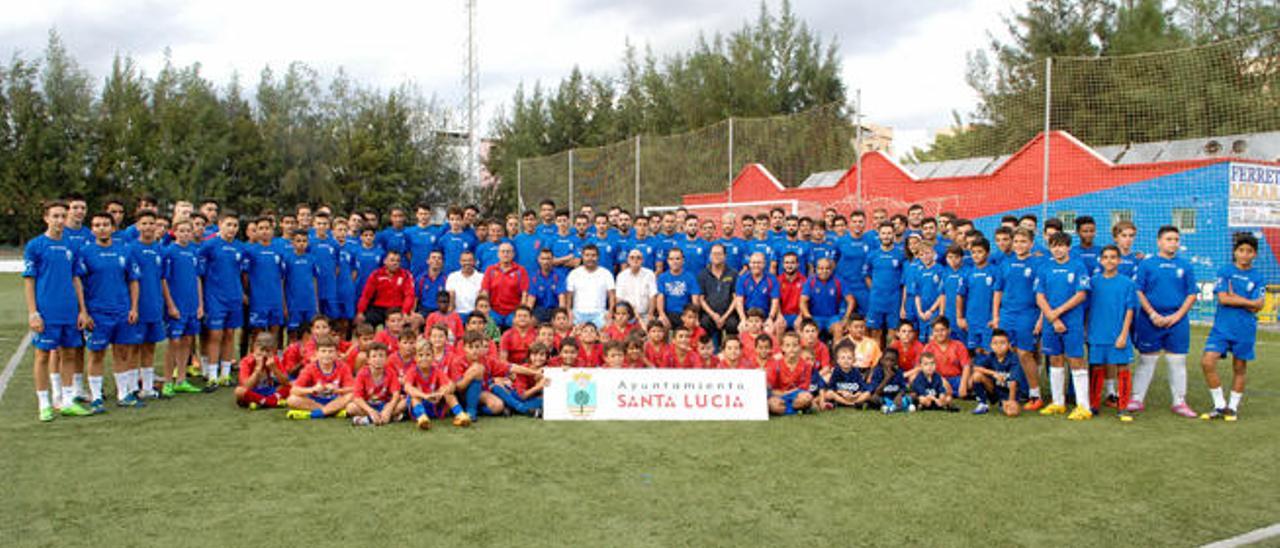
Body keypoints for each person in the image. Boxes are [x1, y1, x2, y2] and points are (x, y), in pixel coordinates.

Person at [24, 201, 93, 420]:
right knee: (43, 356)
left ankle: (67, 400)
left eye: (63, 216)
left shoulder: (71, 247)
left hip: (69, 311)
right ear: (46, 218)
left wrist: (82, 310)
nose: (60, 221)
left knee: (70, 353)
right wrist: (33, 312)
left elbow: (76, 279)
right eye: (55, 216)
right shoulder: (35, 245)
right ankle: (44, 403)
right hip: (47, 311)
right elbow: (29, 281)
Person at [1131, 226, 1199, 418]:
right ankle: (1137, 398)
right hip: (1149, 319)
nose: (1173, 243)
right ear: (1159, 241)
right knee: (1147, 359)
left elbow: (1192, 294)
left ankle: (1179, 401)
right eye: (1169, 239)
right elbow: (1138, 291)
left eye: (1176, 239)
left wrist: (1176, 317)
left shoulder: (1185, 266)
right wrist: (1152, 314)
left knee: (1177, 360)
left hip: (1177, 320)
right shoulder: (1147, 264)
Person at [78, 212, 143, 411]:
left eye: (105, 224)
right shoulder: (85, 252)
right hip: (97, 313)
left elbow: (133, 280)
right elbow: (78, 283)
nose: (101, 228)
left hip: (122, 311)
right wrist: (84, 312)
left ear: (113, 228)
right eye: (97, 225)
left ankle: (123, 394)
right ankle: (96, 397)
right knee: (96, 354)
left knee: (122, 353)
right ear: (92, 229)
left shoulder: (125, 250)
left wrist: (133, 307)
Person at [1200, 233, 1264, 421]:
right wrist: (1247, 302)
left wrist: (1235, 299)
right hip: (1222, 328)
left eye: (1249, 251)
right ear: (1235, 252)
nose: (1245, 254)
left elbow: (1259, 305)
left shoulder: (1258, 277)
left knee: (1239, 367)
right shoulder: (1225, 271)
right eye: (1241, 250)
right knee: (1207, 362)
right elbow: (1223, 298)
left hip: (1245, 328)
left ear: (1255, 255)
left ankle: (1232, 408)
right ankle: (1219, 405)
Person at [1034, 231, 1092, 420]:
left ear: (1068, 247)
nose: (1057, 249)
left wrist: (1056, 314)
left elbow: (1081, 294)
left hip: (1071, 322)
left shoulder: (1078, 266)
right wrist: (1051, 317)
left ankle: (1084, 406)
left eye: (1061, 245)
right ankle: (1058, 402)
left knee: (1076, 360)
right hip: (1051, 322)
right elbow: (1039, 295)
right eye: (1054, 245)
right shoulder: (1044, 267)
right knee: (1055, 360)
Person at [993, 228, 1044, 411]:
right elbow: (998, 290)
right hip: (1007, 314)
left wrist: (1040, 318)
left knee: (1025, 353)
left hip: (1027, 314)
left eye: (1023, 241)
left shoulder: (1038, 264)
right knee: (1011, 352)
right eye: (1016, 242)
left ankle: (1035, 394)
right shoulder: (1005, 263)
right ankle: (1018, 392)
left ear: (1031, 244)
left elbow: (1043, 293)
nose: (1019, 245)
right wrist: (996, 316)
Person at [1088, 245, 1138, 421]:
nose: (1109, 261)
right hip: (1097, 334)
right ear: (1101, 260)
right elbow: (1087, 309)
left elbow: (1130, 310)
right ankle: (1094, 405)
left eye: (1113, 257)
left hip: (1118, 334)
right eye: (1106, 257)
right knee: (1097, 368)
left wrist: (1124, 334)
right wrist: (1087, 331)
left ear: (1119, 260)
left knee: (1122, 367)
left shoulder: (1127, 283)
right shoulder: (1093, 282)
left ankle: (1123, 406)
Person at [199, 213, 245, 388]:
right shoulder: (210, 245)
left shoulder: (240, 247)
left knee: (229, 334)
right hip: (214, 297)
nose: (232, 229)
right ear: (220, 225)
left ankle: (225, 374)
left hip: (234, 296)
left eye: (235, 225)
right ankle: (212, 374)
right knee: (215, 334)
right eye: (228, 224)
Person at [160, 220, 205, 397]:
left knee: (187, 341)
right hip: (176, 305)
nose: (185, 234)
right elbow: (163, 280)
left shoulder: (194, 252)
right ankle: (167, 382)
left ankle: (181, 379)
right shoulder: (169, 252)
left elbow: (197, 279)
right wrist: (170, 305)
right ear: (174, 232)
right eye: (182, 231)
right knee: (174, 342)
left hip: (192, 305)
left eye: (188, 231)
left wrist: (200, 304)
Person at [128, 210, 167, 399]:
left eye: (152, 223)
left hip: (154, 305)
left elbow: (162, 279)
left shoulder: (160, 249)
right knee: (134, 346)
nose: (149, 227)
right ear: (138, 226)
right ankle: (132, 385)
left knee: (150, 346)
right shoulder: (131, 249)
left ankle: (148, 386)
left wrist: (165, 303)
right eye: (144, 223)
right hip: (138, 306)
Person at [403, 338, 467, 430]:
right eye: (420, 355)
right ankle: (422, 418)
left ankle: (460, 414)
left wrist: (441, 393)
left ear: (433, 357)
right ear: (416, 358)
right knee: (414, 396)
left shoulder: (436, 370)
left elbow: (451, 384)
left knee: (448, 393)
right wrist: (424, 396)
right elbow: (407, 387)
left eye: (428, 355)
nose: (424, 358)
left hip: (435, 403)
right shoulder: (413, 371)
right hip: (419, 404)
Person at [285, 335, 354, 420]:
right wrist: (312, 389)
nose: (327, 355)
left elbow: (353, 389)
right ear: (317, 353)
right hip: (315, 401)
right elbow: (294, 390)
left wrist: (337, 390)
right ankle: (330, 411)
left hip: (336, 400)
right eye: (323, 351)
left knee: (352, 396)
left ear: (336, 353)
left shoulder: (343, 367)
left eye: (331, 351)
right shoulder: (310, 367)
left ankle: (322, 412)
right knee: (292, 400)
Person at [865, 222, 905, 347]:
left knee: (892, 333)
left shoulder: (900, 254)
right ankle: (876, 362)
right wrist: (875, 289)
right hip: (876, 299)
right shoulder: (872, 255)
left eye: (889, 233)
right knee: (876, 332)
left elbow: (904, 279)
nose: (886, 236)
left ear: (893, 234)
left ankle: (890, 361)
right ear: (879, 235)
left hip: (894, 299)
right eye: (884, 233)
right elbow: (866, 275)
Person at [347, 342, 405, 426]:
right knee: (351, 407)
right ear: (368, 360)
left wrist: (389, 408)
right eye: (374, 356)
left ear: (386, 358)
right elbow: (357, 398)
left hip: (384, 404)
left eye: (381, 356)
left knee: (404, 403)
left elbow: (396, 394)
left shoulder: (390, 373)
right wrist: (370, 411)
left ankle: (368, 419)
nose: (378, 359)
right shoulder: (362, 373)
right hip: (368, 405)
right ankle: (384, 417)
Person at [958, 238, 999, 354]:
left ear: (987, 253)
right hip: (972, 320)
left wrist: (996, 317)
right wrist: (960, 317)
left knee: (989, 352)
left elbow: (999, 295)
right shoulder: (967, 273)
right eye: (973, 252)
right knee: (975, 353)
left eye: (979, 252)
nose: (976, 255)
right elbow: (960, 295)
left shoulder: (995, 271)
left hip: (988, 320)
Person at [969, 329, 1022, 416]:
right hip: (994, 390)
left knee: (1012, 413)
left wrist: (1011, 401)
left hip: (1009, 393)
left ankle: (1004, 403)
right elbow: (975, 368)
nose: (999, 346)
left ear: (1009, 345)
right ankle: (983, 404)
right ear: (991, 345)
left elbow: (1013, 382)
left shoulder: (1013, 358)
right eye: (995, 343)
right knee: (976, 376)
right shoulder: (991, 356)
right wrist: (993, 373)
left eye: (1002, 343)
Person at [356, 251, 415, 328]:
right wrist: (360, 312)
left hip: (397, 309)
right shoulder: (376, 275)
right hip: (378, 308)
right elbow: (366, 295)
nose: (395, 263)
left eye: (398, 261)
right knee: (365, 323)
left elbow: (409, 295)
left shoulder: (406, 275)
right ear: (385, 261)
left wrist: (405, 312)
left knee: (407, 323)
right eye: (392, 260)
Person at [479, 242, 529, 330]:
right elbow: (485, 292)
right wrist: (485, 311)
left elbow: (524, 294)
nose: (505, 254)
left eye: (508, 252)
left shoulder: (521, 270)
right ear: (498, 254)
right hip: (494, 311)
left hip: (513, 312)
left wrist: (521, 313)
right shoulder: (490, 270)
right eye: (503, 251)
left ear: (513, 254)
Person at [697, 244, 739, 347]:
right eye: (714, 254)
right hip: (709, 314)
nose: (716, 256)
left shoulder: (733, 273)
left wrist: (724, 316)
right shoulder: (703, 274)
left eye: (719, 254)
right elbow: (701, 299)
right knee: (705, 323)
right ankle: (711, 351)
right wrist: (713, 315)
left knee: (733, 324)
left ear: (725, 256)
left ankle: (730, 351)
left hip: (728, 314)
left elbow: (736, 298)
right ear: (710, 256)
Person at [565, 244, 616, 328]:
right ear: (582, 256)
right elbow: (569, 296)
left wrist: (610, 312)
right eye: (587, 255)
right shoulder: (574, 274)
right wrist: (569, 312)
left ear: (598, 257)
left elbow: (611, 296)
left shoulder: (606, 274)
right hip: (578, 314)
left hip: (599, 314)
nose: (590, 258)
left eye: (593, 255)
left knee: (608, 328)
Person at [800, 258, 852, 340]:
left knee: (838, 329)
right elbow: (802, 302)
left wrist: (846, 318)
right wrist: (808, 317)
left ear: (831, 269)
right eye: (821, 268)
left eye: (827, 268)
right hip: (815, 317)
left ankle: (836, 351)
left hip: (833, 317)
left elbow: (851, 301)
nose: (824, 271)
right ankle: (811, 352)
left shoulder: (838, 280)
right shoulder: (811, 281)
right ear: (816, 269)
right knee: (810, 332)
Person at [283, 230, 320, 341]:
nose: (301, 243)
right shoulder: (287, 258)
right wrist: (284, 304)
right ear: (292, 243)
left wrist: (316, 302)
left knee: (308, 332)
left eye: (304, 241)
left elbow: (314, 280)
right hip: (293, 303)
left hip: (309, 302)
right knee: (293, 333)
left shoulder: (312, 259)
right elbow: (282, 281)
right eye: (298, 241)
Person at [235, 333, 289, 409]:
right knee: (239, 391)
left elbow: (286, 382)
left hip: (270, 391)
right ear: (254, 348)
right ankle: (270, 402)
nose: (264, 354)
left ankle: (262, 402)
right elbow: (246, 387)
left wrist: (274, 368)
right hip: (253, 391)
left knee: (291, 386)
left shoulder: (274, 359)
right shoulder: (246, 361)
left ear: (273, 351)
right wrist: (257, 369)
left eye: (268, 351)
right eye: (262, 350)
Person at [766, 331, 814, 416]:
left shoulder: (806, 365)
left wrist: (789, 393)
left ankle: (790, 409)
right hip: (779, 396)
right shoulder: (775, 364)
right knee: (772, 404)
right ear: (782, 347)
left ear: (799, 347)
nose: (791, 349)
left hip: (796, 397)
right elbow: (771, 388)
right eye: (787, 345)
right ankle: (798, 410)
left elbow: (804, 387)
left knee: (807, 397)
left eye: (795, 345)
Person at [655, 248, 701, 329]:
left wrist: (695, 317)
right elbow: (660, 297)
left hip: (685, 314)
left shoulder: (690, 277)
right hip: (668, 313)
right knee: (660, 323)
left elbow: (695, 299)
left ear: (683, 260)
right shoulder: (662, 277)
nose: (674, 261)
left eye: (677, 258)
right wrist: (661, 314)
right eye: (671, 259)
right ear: (668, 261)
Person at [527, 248, 566, 324]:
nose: (545, 262)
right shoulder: (534, 277)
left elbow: (562, 299)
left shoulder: (559, 275)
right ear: (539, 260)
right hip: (539, 310)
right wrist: (528, 316)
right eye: (543, 259)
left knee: (559, 324)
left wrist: (561, 317)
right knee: (529, 323)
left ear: (552, 260)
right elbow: (531, 300)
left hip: (555, 309)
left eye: (548, 259)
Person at [446, 251, 483, 317]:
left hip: (475, 315)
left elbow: (482, 299)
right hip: (457, 314)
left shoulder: (482, 277)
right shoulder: (452, 277)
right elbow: (450, 299)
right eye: (464, 260)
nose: (467, 263)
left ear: (475, 262)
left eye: (470, 260)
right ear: (460, 262)